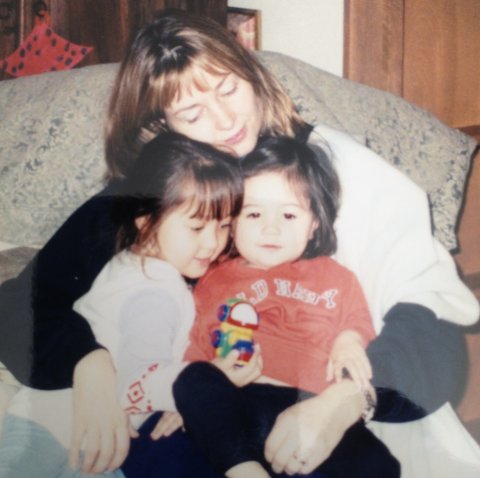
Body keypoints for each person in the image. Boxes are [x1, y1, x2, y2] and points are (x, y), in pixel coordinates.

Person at [0, 8, 477, 478]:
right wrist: (90, 365)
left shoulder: (338, 167)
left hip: (342, 402)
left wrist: (342, 404)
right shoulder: (158, 192)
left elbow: (434, 333)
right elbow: (22, 303)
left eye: (229, 89)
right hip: (191, 414)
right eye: (193, 112)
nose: (226, 120)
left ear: (251, 75)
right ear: (162, 126)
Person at [0, 132, 247, 478]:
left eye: (224, 227)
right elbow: (140, 377)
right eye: (196, 227)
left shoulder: (139, 263)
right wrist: (200, 387)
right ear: (146, 221)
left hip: (83, 427)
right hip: (63, 425)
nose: (213, 243)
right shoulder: (155, 288)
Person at [175, 135, 400, 478]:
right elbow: (196, 344)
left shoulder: (334, 276)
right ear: (232, 223)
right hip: (242, 403)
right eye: (253, 213)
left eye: (289, 215)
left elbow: (356, 319)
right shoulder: (215, 278)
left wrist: (349, 339)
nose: (271, 227)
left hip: (313, 410)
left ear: (314, 225)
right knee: (192, 380)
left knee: (379, 464)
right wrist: (193, 403)